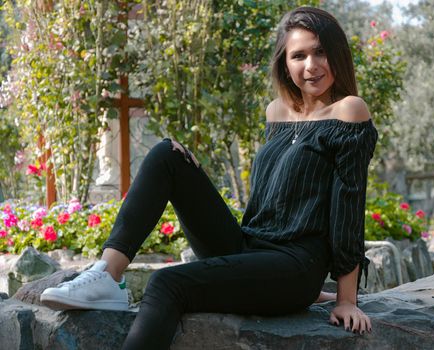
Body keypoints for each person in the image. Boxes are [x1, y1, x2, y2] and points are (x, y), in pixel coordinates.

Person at [41, 6, 377, 349]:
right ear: (284, 63)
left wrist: (344, 298)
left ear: (337, 52)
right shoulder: (277, 112)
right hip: (251, 249)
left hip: (296, 262)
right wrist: (194, 177)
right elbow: (278, 197)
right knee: (167, 154)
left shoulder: (349, 110)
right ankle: (107, 274)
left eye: (320, 52)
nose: (311, 65)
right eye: (299, 55)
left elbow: (348, 207)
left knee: (166, 283)